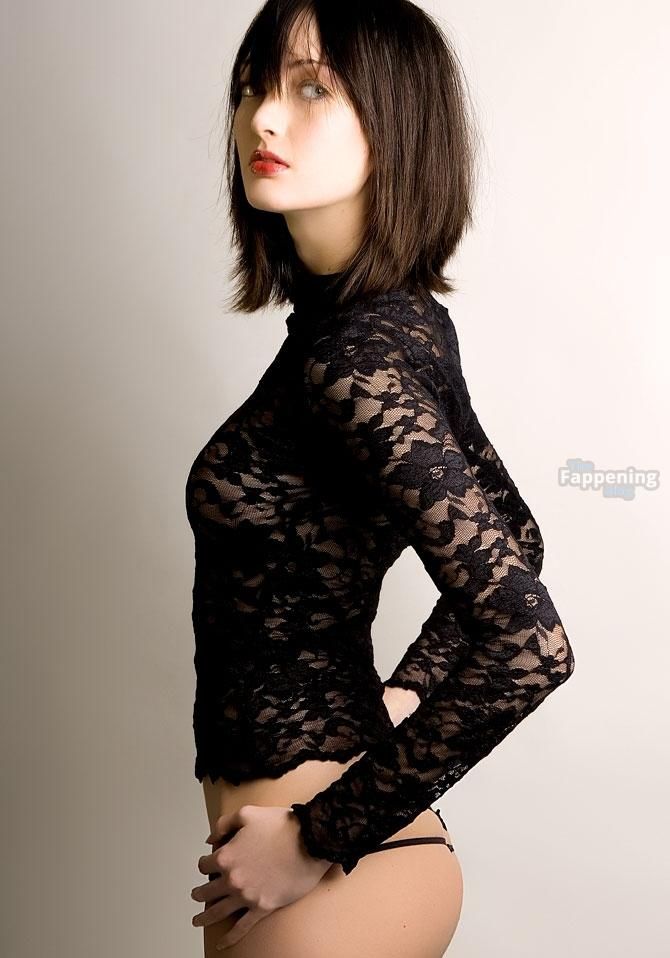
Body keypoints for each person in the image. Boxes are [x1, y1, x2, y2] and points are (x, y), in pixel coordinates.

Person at [185, 2, 575, 955]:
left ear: (396, 120)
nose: (262, 118)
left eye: (311, 89)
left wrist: (318, 837)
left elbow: (530, 644)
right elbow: (516, 534)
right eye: (253, 87)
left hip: (324, 874)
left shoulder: (358, 355)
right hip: (333, 861)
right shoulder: (385, 323)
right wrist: (403, 696)